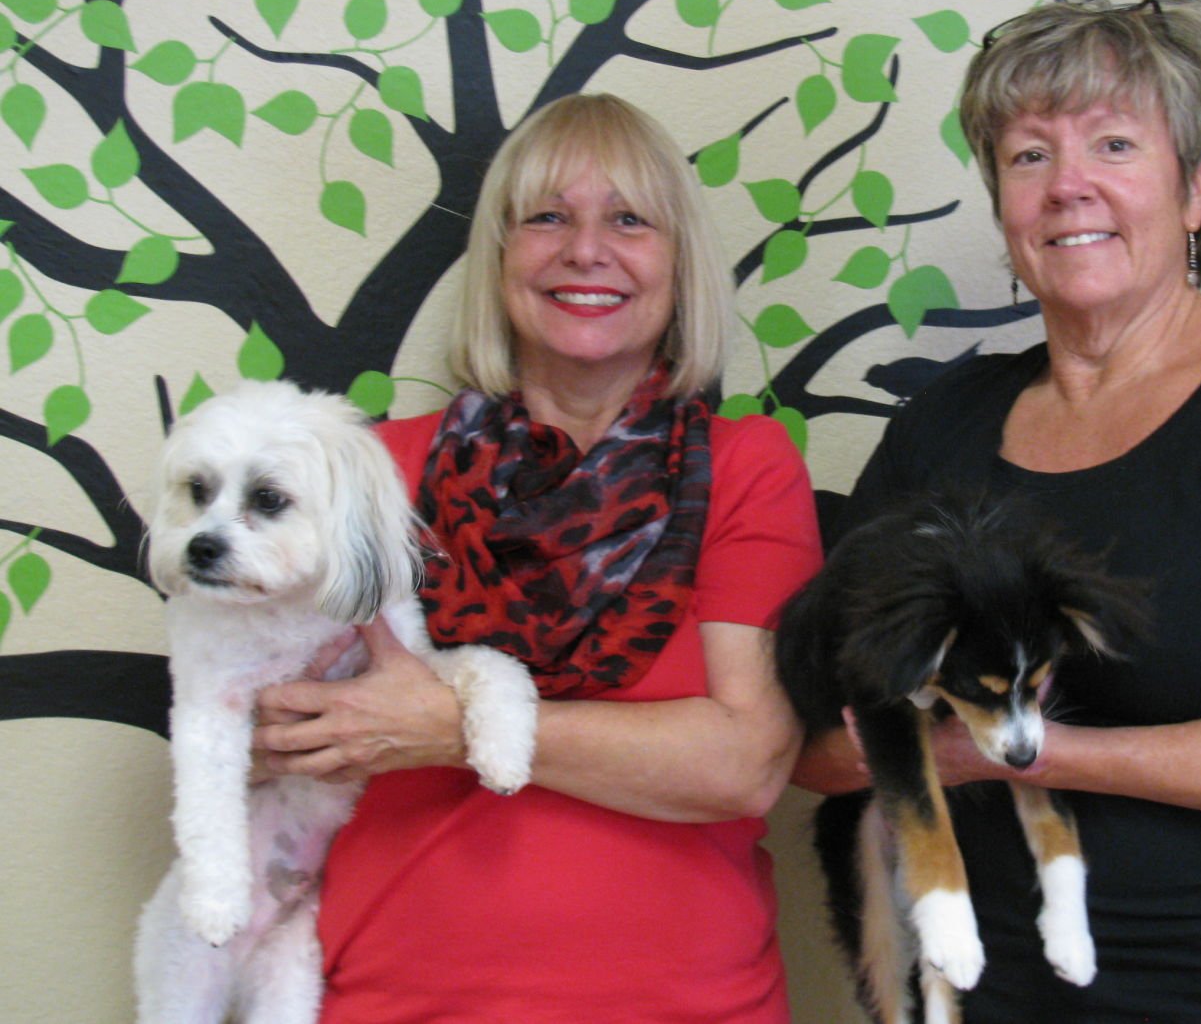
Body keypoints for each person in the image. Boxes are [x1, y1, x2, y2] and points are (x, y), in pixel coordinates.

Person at [792, 0, 1201, 1022]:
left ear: (1196, 188)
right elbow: (814, 743)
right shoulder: (942, 424)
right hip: (982, 992)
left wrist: (1015, 748)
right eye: (1029, 156)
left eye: (1114, 143)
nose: (1068, 185)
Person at [254, 93, 820, 1023]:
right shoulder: (371, 471)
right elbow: (251, 731)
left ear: (680, 264)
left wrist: (450, 725)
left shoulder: (748, 467)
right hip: (392, 1005)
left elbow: (745, 763)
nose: (585, 250)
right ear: (499, 257)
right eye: (547, 217)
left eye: (629, 221)